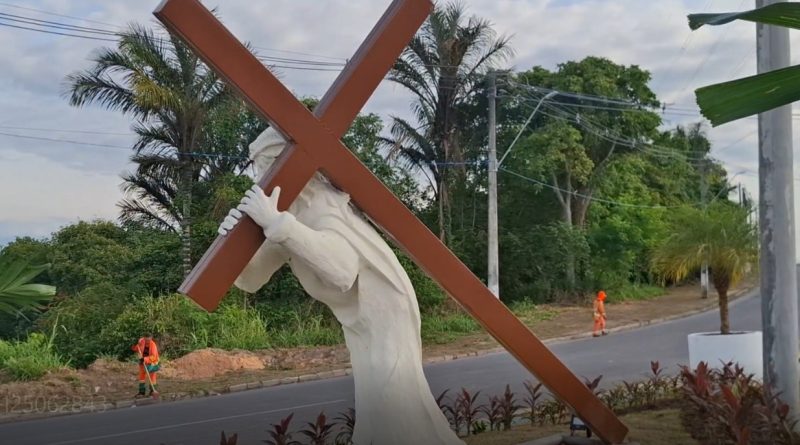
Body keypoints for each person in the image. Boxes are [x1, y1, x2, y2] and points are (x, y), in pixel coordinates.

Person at [217, 127, 463, 445]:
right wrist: (232, 243)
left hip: (385, 309)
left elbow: (342, 271)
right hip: (360, 320)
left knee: (392, 401)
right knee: (380, 404)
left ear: (290, 165)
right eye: (259, 169)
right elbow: (251, 279)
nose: (262, 178)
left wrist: (278, 225)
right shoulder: (288, 215)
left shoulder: (322, 207)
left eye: (268, 166)